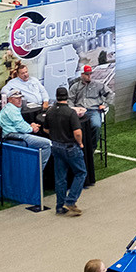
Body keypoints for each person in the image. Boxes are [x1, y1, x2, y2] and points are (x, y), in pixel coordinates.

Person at [43, 86, 86, 216]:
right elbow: (77, 132)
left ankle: (59, 207)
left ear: (56, 97)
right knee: (81, 173)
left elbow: (46, 129)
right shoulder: (70, 112)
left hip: (56, 147)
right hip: (70, 147)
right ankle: (71, 200)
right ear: (67, 96)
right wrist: (80, 143)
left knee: (60, 178)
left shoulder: (50, 111)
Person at [67, 64, 112, 129]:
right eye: (87, 74)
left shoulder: (98, 85)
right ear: (82, 74)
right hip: (80, 111)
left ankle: (93, 139)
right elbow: (70, 99)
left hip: (94, 110)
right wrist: (73, 109)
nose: (89, 76)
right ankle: (82, 138)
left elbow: (109, 94)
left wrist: (105, 104)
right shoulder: (75, 86)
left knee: (96, 125)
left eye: (90, 74)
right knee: (76, 127)